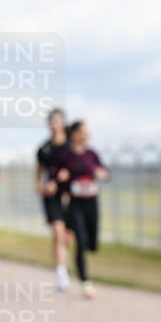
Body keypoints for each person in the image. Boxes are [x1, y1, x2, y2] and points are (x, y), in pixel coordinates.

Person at [54, 121, 108, 299]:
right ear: (75, 133)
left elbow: (104, 172)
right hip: (75, 204)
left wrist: (102, 174)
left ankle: (80, 268)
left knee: (91, 243)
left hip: (92, 203)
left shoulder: (92, 154)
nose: (88, 135)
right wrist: (61, 177)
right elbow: (56, 177)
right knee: (81, 241)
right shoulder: (65, 156)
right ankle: (86, 282)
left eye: (89, 132)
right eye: (85, 132)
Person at [36, 108, 71, 291]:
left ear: (63, 123)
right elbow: (40, 170)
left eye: (57, 121)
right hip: (52, 196)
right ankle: (61, 272)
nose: (54, 125)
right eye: (51, 122)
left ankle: (64, 264)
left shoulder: (72, 145)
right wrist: (39, 186)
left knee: (67, 237)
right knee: (58, 232)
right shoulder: (44, 148)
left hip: (72, 194)